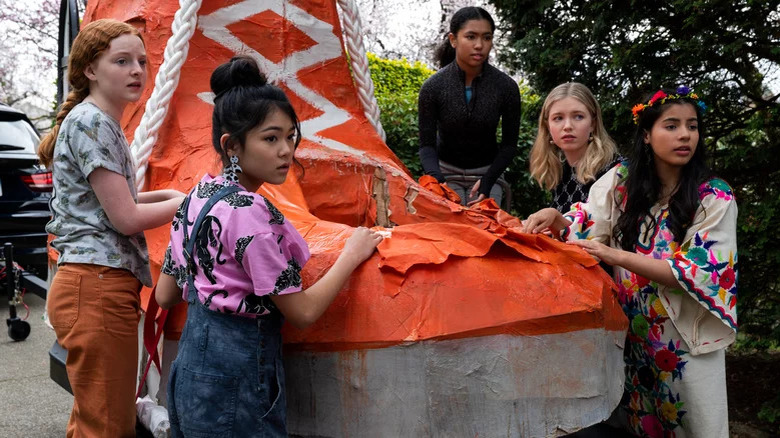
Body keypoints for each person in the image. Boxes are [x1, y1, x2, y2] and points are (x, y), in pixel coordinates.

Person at [155, 56, 383, 437]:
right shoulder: (250, 214)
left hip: (189, 374)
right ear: (232, 145)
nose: (286, 151)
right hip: (238, 383)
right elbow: (303, 312)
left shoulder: (197, 196)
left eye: (290, 136)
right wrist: (352, 254)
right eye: (270, 138)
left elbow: (165, 295)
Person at [524, 87, 736, 437]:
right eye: (671, 125)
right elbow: (589, 222)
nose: (684, 134)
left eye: (692, 126)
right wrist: (557, 218)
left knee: (698, 427)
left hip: (683, 340)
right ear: (647, 136)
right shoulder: (622, 182)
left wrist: (614, 254)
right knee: (643, 427)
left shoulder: (714, 195)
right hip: (638, 336)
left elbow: (696, 271)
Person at [39, 19, 185, 437]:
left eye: (141, 60)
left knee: (95, 418)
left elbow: (119, 205)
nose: (137, 70)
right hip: (96, 286)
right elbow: (125, 219)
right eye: (122, 61)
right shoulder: (94, 123)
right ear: (89, 69)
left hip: (93, 284)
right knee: (108, 426)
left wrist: (174, 195)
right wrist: (183, 204)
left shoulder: (98, 121)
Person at [418, 6, 521, 207]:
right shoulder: (433, 87)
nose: (479, 45)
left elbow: (509, 145)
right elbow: (426, 146)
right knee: (454, 230)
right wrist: (438, 180)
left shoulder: (506, 87)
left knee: (485, 229)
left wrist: (488, 181)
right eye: (471, 37)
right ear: (453, 40)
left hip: (488, 173)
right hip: (446, 173)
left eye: (487, 38)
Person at [529, 82, 620, 213]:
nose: (567, 126)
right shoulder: (560, 170)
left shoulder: (615, 171)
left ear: (593, 124)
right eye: (558, 118)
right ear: (548, 126)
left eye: (578, 116)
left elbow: (607, 229)